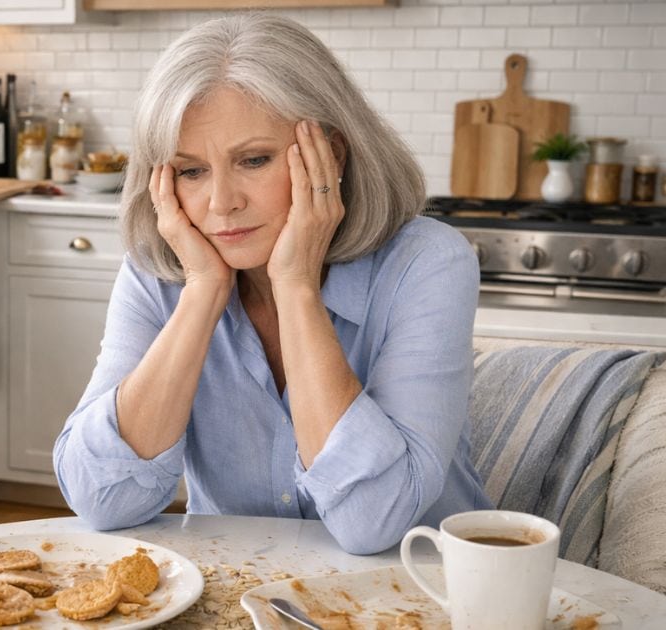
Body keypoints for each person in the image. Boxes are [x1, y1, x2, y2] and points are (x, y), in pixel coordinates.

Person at [52, 13, 492, 555]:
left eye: (253, 160)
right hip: (237, 593)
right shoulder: (158, 273)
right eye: (191, 171)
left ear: (330, 155)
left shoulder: (427, 262)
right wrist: (202, 294)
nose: (221, 203)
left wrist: (296, 287)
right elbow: (101, 500)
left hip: (417, 595)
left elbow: (372, 523)